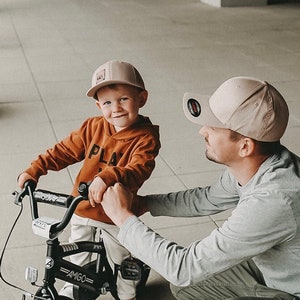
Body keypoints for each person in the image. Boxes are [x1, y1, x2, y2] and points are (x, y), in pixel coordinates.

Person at [100, 76, 300, 300]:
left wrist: (123, 218)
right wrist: (142, 204)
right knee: (186, 288)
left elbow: (184, 268)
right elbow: (207, 199)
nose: (202, 131)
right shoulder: (259, 163)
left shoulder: (274, 199)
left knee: (185, 276)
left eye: (213, 127)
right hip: (273, 269)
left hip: (292, 290)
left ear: (245, 146)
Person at [17, 60, 161, 300]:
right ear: (98, 105)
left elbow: (139, 169)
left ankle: (127, 295)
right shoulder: (93, 127)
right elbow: (63, 151)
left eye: (124, 99)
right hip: (82, 208)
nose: (116, 108)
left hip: (116, 214)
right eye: (107, 103)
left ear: (142, 98)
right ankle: (72, 292)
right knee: (75, 259)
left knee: (121, 260)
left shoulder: (145, 138)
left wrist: (108, 176)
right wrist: (36, 169)